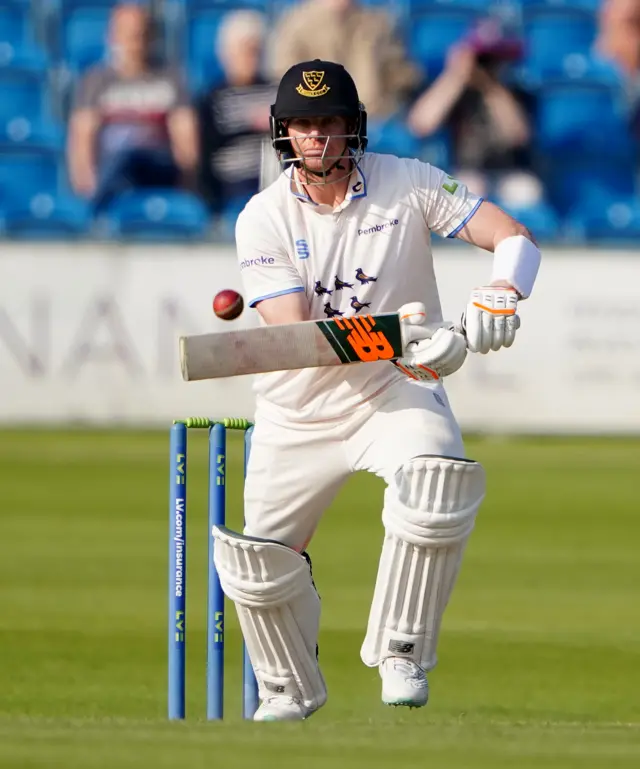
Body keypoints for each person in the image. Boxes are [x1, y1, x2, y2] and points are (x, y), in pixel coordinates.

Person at [212, 59, 541, 722]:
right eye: (303, 124)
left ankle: (402, 649)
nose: (317, 137)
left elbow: (512, 236)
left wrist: (503, 292)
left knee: (437, 478)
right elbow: (298, 334)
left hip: (394, 390)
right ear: (283, 132)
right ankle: (287, 688)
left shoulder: (408, 182)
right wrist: (413, 335)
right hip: (298, 409)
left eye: (329, 122)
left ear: (352, 126)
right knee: (255, 563)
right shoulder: (263, 217)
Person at [67, 4, 199, 212]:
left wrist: (187, 186)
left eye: (141, 35)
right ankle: (95, 211)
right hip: (114, 170)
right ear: (113, 37)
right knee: (123, 158)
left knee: (132, 154)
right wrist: (86, 185)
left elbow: (185, 139)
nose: (135, 43)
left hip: (157, 166)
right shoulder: (95, 81)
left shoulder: (170, 78)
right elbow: (82, 139)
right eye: (128, 35)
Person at [408, 19, 535, 201]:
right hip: (460, 171)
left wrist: (491, 87)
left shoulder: (515, 89)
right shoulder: (453, 91)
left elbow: (518, 136)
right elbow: (420, 124)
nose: (485, 64)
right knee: (469, 189)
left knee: (525, 191)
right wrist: (456, 75)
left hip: (508, 172)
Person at [267, 0, 420, 120]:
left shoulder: (378, 23)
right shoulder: (296, 23)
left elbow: (401, 74)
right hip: (318, 118)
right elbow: (285, 76)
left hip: (376, 117)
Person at [196, 10, 275, 218]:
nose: (250, 57)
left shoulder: (276, 90)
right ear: (226, 53)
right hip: (233, 182)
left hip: (275, 177)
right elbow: (208, 146)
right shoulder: (214, 97)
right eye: (243, 50)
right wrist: (253, 123)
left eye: (254, 50)